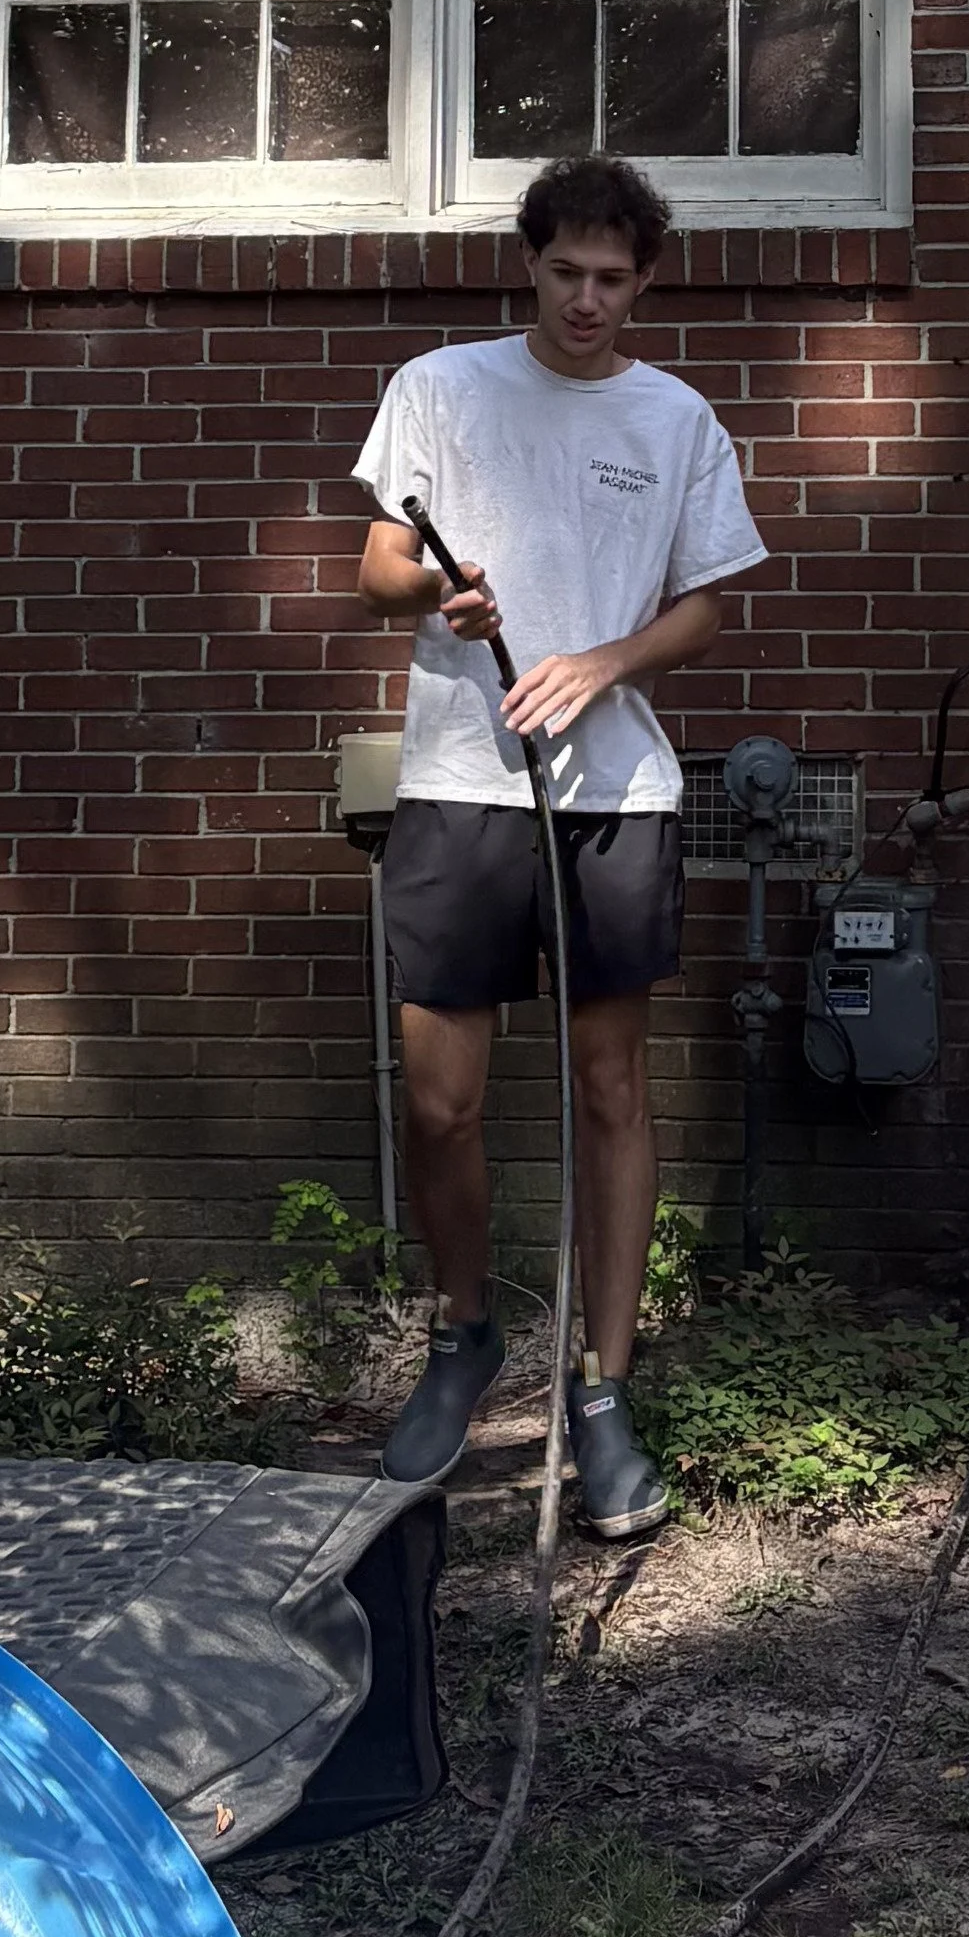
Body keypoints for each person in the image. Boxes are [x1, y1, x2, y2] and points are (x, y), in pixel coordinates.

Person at [353, 152, 769, 1538]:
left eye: (613, 277)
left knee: (609, 1094)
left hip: (616, 794)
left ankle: (602, 1389)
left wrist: (601, 659)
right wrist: (441, 595)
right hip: (461, 781)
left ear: (643, 280)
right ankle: (464, 1333)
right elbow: (375, 570)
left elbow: (706, 607)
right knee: (441, 1100)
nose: (587, 298)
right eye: (565, 271)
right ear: (528, 263)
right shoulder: (442, 387)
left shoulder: (676, 418)